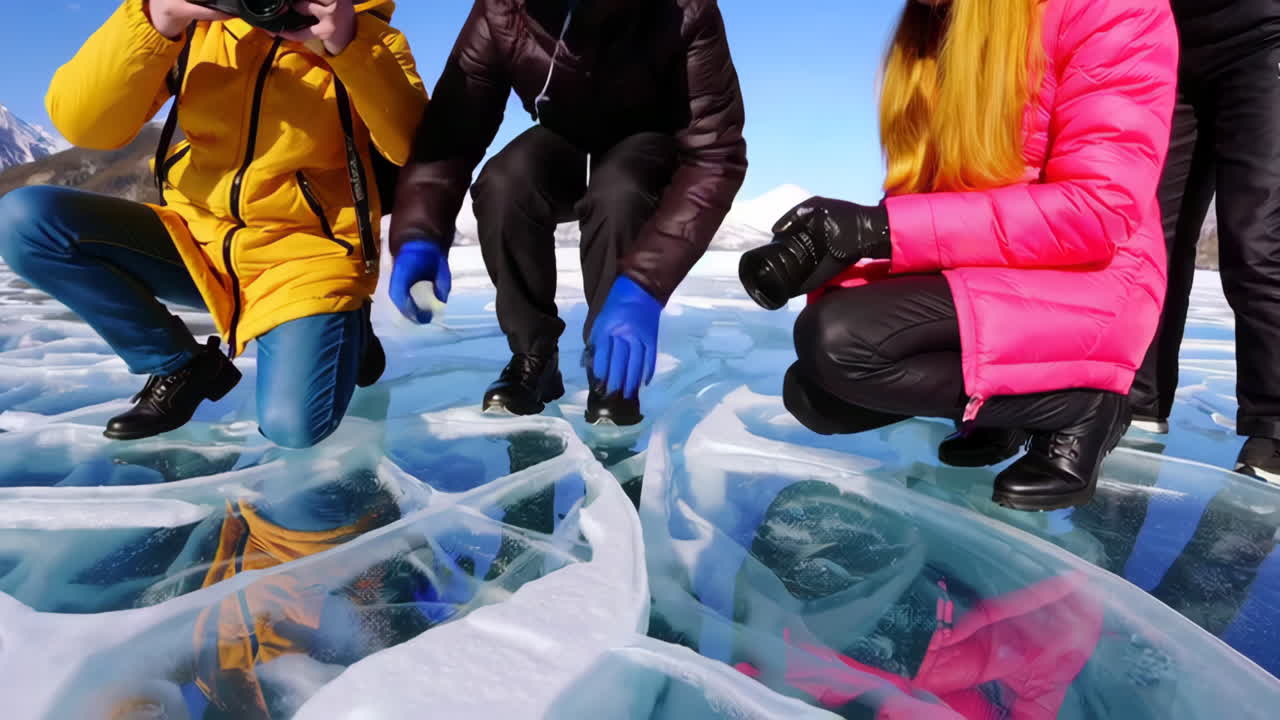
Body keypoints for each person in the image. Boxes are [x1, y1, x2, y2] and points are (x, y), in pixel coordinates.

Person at [739, 0, 1177, 510]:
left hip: (1097, 277)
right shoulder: (935, 28)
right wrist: (847, 252)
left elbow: (1097, 208)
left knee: (841, 341)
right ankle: (1006, 414)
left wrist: (874, 230)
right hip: (996, 275)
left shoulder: (1112, 8)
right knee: (814, 393)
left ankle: (1083, 407)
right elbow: (944, 210)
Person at [0, 0, 426, 448]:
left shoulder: (366, 35)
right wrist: (157, 17)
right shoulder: (199, 31)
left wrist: (346, 45)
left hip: (303, 260)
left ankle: (348, 330)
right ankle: (176, 363)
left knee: (293, 427)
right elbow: (84, 125)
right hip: (196, 242)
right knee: (26, 221)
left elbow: (419, 151)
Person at [387, 0, 748, 426]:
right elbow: (452, 132)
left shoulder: (686, 10)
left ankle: (609, 371)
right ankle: (533, 357)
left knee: (620, 193)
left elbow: (714, 156)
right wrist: (419, 233)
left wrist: (644, 287)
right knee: (504, 184)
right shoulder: (502, 10)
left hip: (646, 138)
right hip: (565, 134)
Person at [1128, 1, 1280, 483]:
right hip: (1166, 44)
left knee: (1255, 235)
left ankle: (1273, 425)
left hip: (1264, 36)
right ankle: (1140, 401)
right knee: (1151, 236)